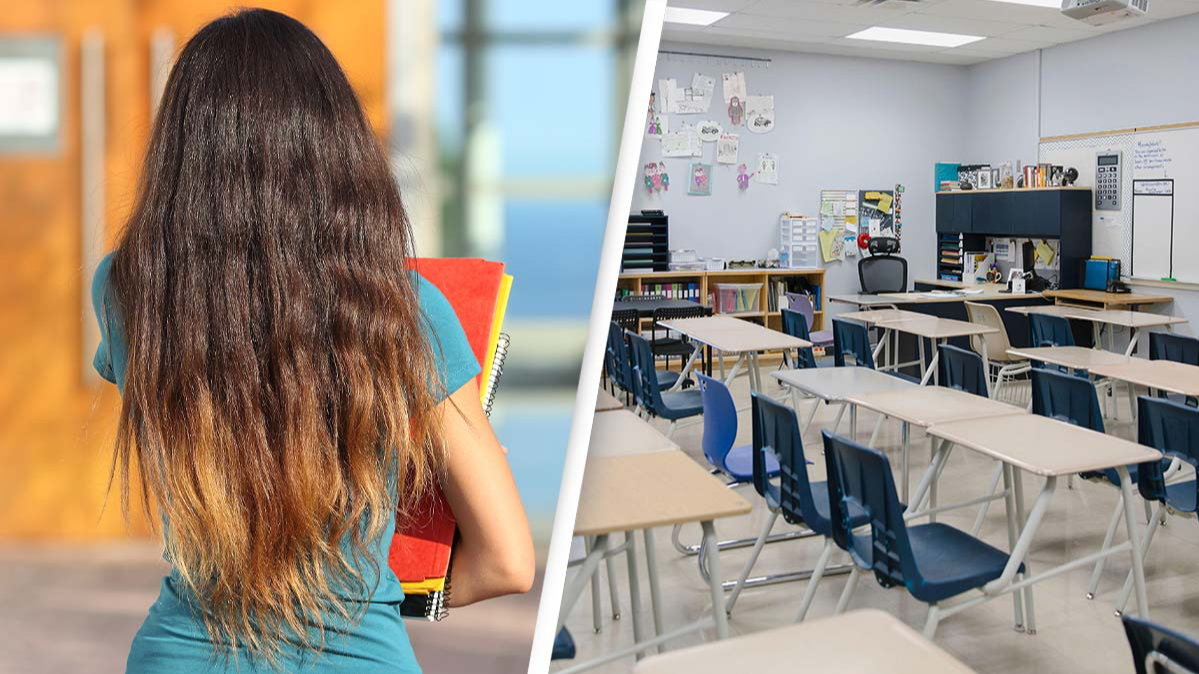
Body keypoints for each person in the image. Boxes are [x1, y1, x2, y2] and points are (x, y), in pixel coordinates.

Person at [91, 9, 534, 673]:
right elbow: (507, 563)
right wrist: (381, 602)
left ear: (182, 145)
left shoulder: (128, 292)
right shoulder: (403, 313)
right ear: (336, 148)